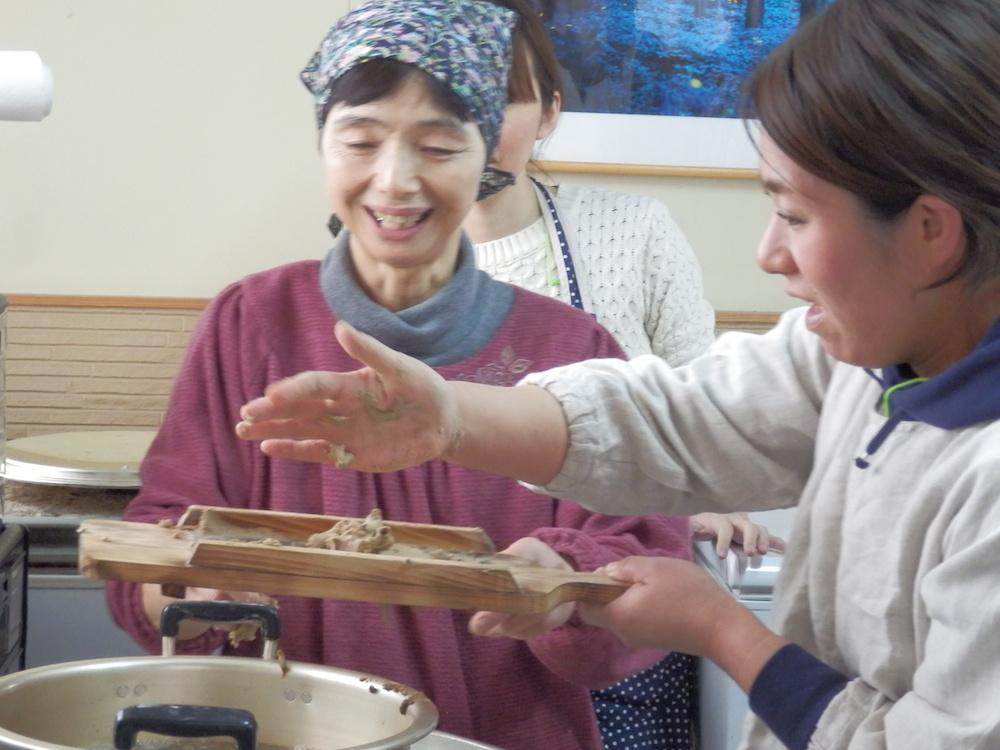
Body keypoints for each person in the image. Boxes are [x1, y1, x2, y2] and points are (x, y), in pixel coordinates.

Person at [234, 0, 1000, 747]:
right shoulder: (857, 355)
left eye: (795, 216)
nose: (768, 254)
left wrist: (722, 631)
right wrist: (451, 418)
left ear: (932, 232)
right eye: (363, 143)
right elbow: (677, 416)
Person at [105, 2, 741, 748]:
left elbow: (641, 563)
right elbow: (159, 526)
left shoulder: (571, 345)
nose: (394, 181)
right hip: (276, 729)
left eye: (438, 147)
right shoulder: (252, 321)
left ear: (487, 159)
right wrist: (177, 585)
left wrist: (562, 586)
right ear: (323, 145)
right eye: (360, 141)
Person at [464, 5, 771, 747]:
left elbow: (703, 400)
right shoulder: (393, 275)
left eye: (500, 95)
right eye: (452, 96)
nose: (472, 122)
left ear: (550, 113)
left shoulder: (632, 230)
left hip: (614, 589)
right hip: (473, 596)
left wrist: (696, 496)